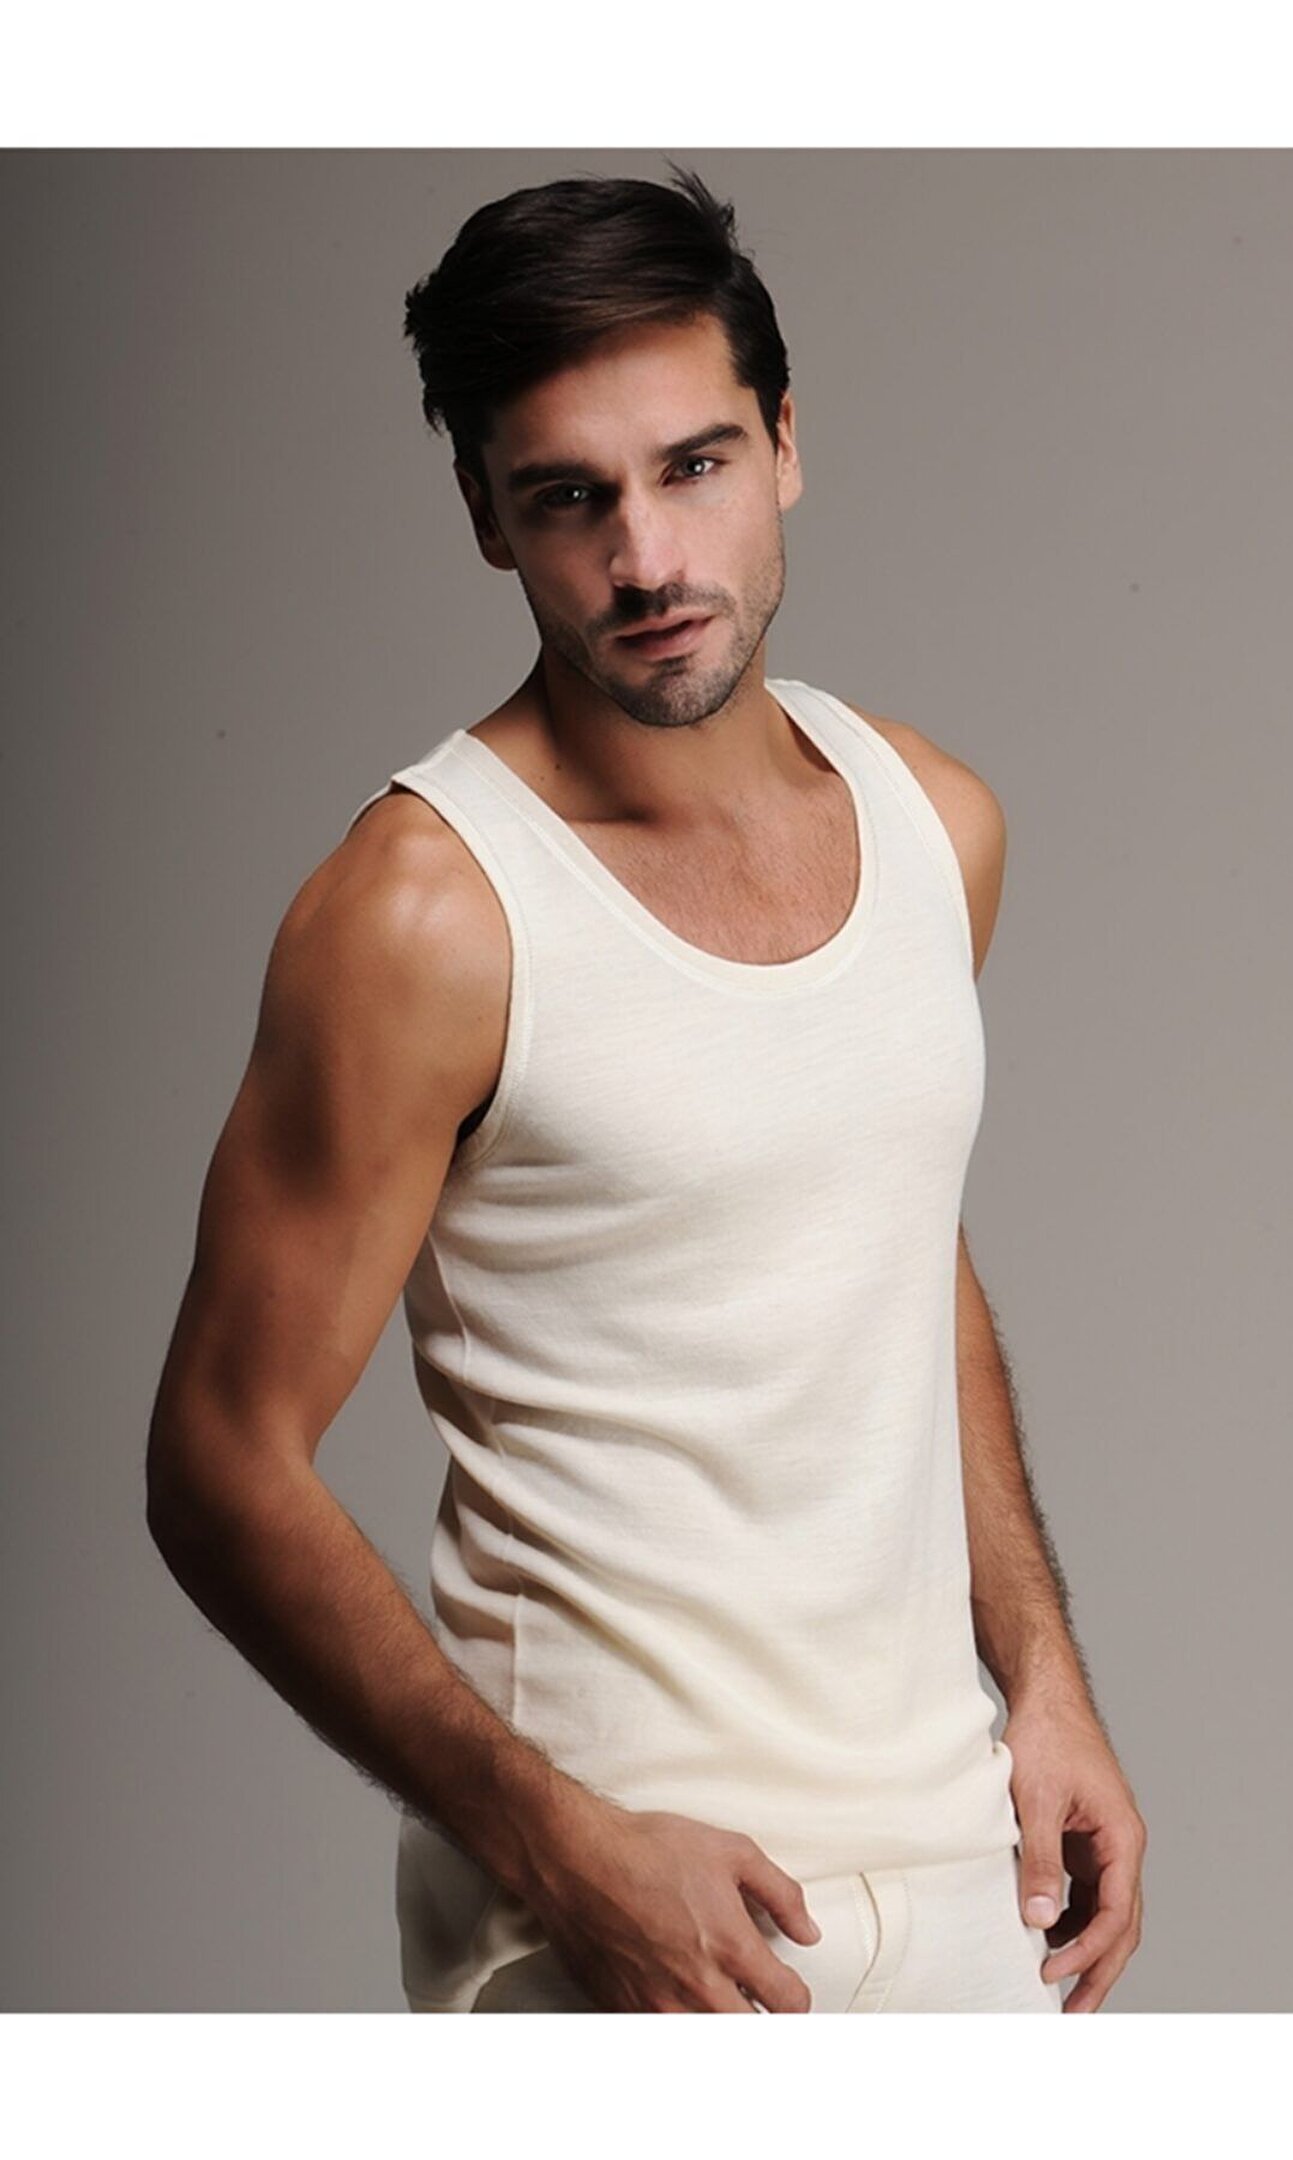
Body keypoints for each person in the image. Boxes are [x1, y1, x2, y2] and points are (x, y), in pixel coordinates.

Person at [145, 161, 1146, 2015]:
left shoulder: (935, 824)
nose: (650, 562)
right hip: (631, 1916)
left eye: (694, 466)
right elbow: (216, 1461)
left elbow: (887, 1246)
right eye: (570, 497)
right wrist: (551, 1846)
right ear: (485, 517)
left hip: (964, 1878)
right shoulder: (426, 916)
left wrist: (1045, 1675)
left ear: (786, 443)